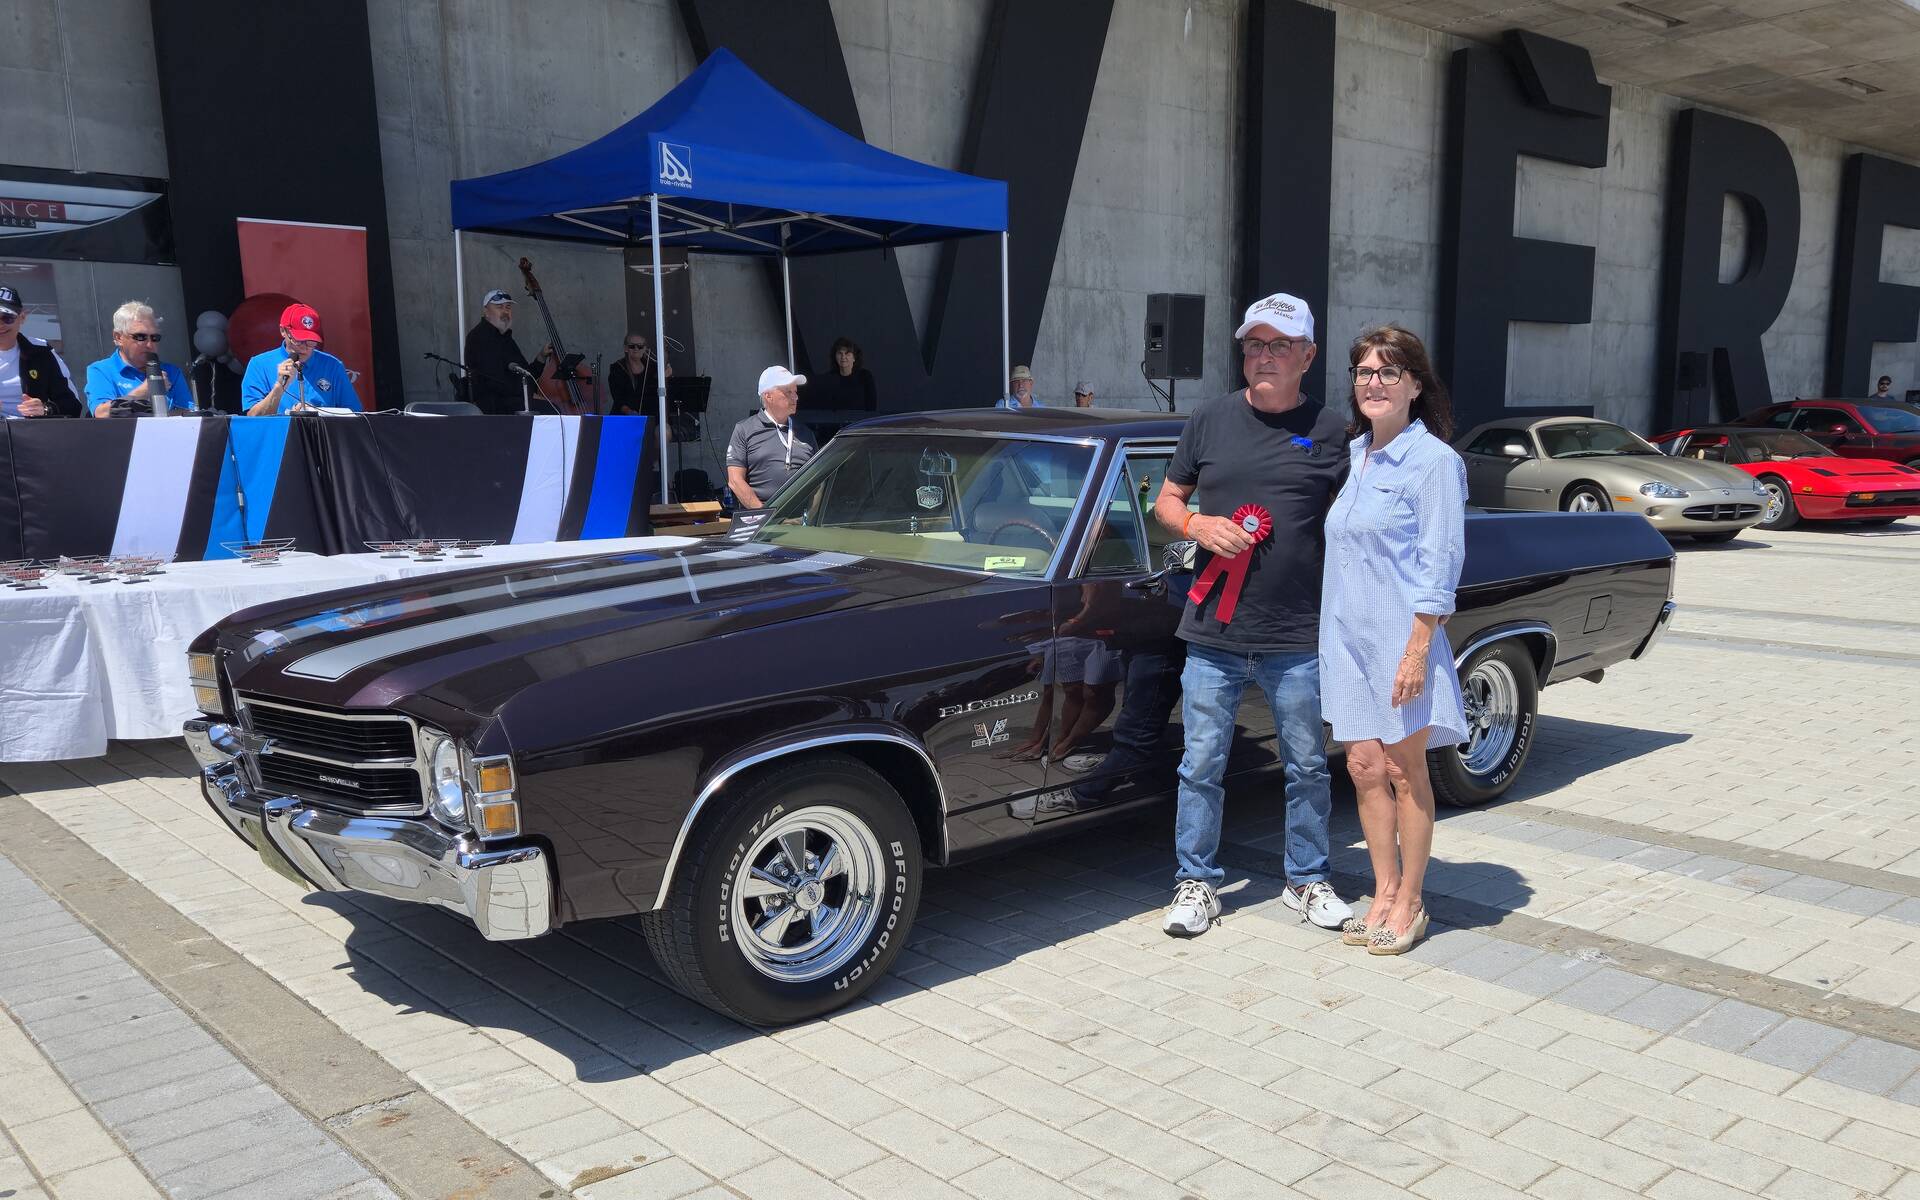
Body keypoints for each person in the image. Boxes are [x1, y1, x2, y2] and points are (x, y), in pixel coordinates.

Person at [1150, 292, 1353, 938]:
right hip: (1211, 632)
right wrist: (1198, 524)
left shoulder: (1331, 432)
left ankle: (1307, 878)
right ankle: (1195, 882)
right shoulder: (1208, 420)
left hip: (1297, 633)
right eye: (1254, 346)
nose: (1264, 357)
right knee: (1200, 764)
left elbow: (1356, 524)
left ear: (1307, 356)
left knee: (1308, 766)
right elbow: (1167, 501)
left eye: (1279, 346)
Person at [1322, 326, 1466, 956]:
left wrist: (1416, 652)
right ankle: (1380, 890)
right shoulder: (1356, 456)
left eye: (1387, 372)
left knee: (1406, 773)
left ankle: (1410, 899)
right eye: (1363, 373)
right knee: (1362, 767)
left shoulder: (1433, 462)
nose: (1373, 383)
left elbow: (1440, 564)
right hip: (1347, 641)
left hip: (1401, 641)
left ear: (1414, 385)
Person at [242, 303, 362, 415]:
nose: (305, 349)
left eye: (311, 342)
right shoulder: (259, 365)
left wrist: (317, 413)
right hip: (281, 436)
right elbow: (253, 417)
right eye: (298, 341)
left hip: (322, 436)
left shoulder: (332, 366)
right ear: (283, 331)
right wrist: (279, 388)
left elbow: (354, 414)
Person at [726, 366, 818, 508]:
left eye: (795, 392)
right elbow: (735, 480)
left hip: (801, 521)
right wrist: (764, 516)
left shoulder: (806, 433)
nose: (795, 397)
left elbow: (818, 480)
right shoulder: (744, 429)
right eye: (788, 392)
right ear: (768, 396)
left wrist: (811, 517)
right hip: (761, 520)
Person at [85, 301, 193, 417]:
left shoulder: (172, 372)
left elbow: (188, 414)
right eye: (140, 337)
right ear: (118, 337)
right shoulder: (101, 370)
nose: (150, 345)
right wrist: (144, 391)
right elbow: (101, 413)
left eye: (154, 337)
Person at [0, 284, 80, 419]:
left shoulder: (41, 351)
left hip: (33, 433)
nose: (0, 325)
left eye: (7, 318)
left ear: (22, 317)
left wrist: (46, 409)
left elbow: (72, 405)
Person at [607, 330, 671, 416]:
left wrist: (667, 375)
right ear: (626, 348)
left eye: (640, 346)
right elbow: (618, 399)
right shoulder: (617, 368)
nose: (636, 349)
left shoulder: (652, 366)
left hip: (650, 414)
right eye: (632, 346)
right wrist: (629, 411)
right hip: (625, 416)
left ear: (645, 348)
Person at [806, 336, 877, 411]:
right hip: (835, 421)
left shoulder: (865, 376)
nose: (843, 357)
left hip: (859, 422)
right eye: (840, 353)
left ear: (854, 358)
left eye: (847, 354)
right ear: (835, 357)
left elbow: (871, 406)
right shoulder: (829, 378)